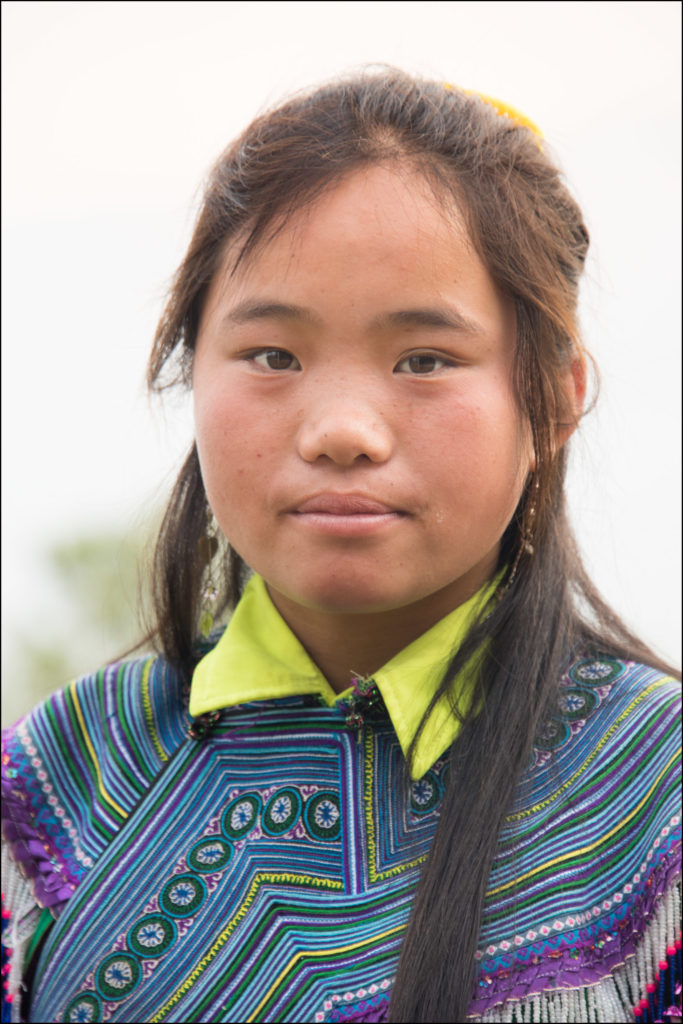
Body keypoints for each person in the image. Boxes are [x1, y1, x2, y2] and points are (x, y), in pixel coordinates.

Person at [2, 69, 680, 1024]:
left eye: (424, 360)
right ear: (190, 373)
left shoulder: (656, 795)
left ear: (555, 398)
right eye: (273, 356)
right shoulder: (56, 785)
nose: (343, 430)